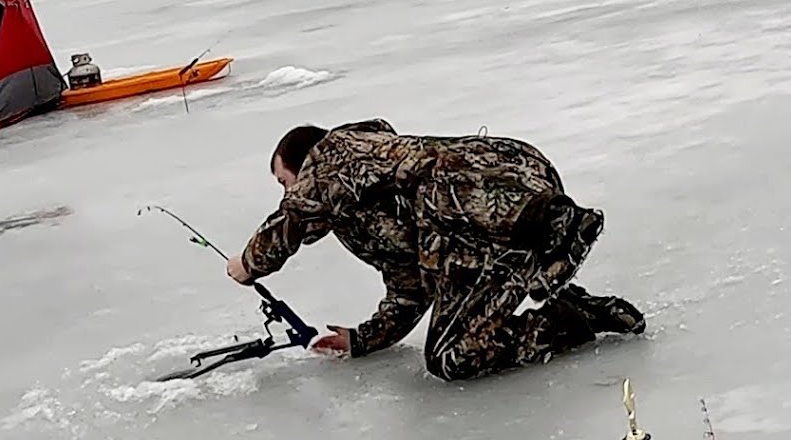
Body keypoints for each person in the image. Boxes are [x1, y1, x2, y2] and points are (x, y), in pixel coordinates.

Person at [224, 119, 645, 382]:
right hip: (473, 254)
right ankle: (574, 314)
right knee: (449, 358)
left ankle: (558, 222)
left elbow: (291, 218)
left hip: (494, 191)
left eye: (284, 180)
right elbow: (409, 288)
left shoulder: (340, 154)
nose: (286, 191)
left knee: (441, 193)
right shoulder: (358, 211)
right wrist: (361, 340)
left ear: (308, 164)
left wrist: (247, 265)